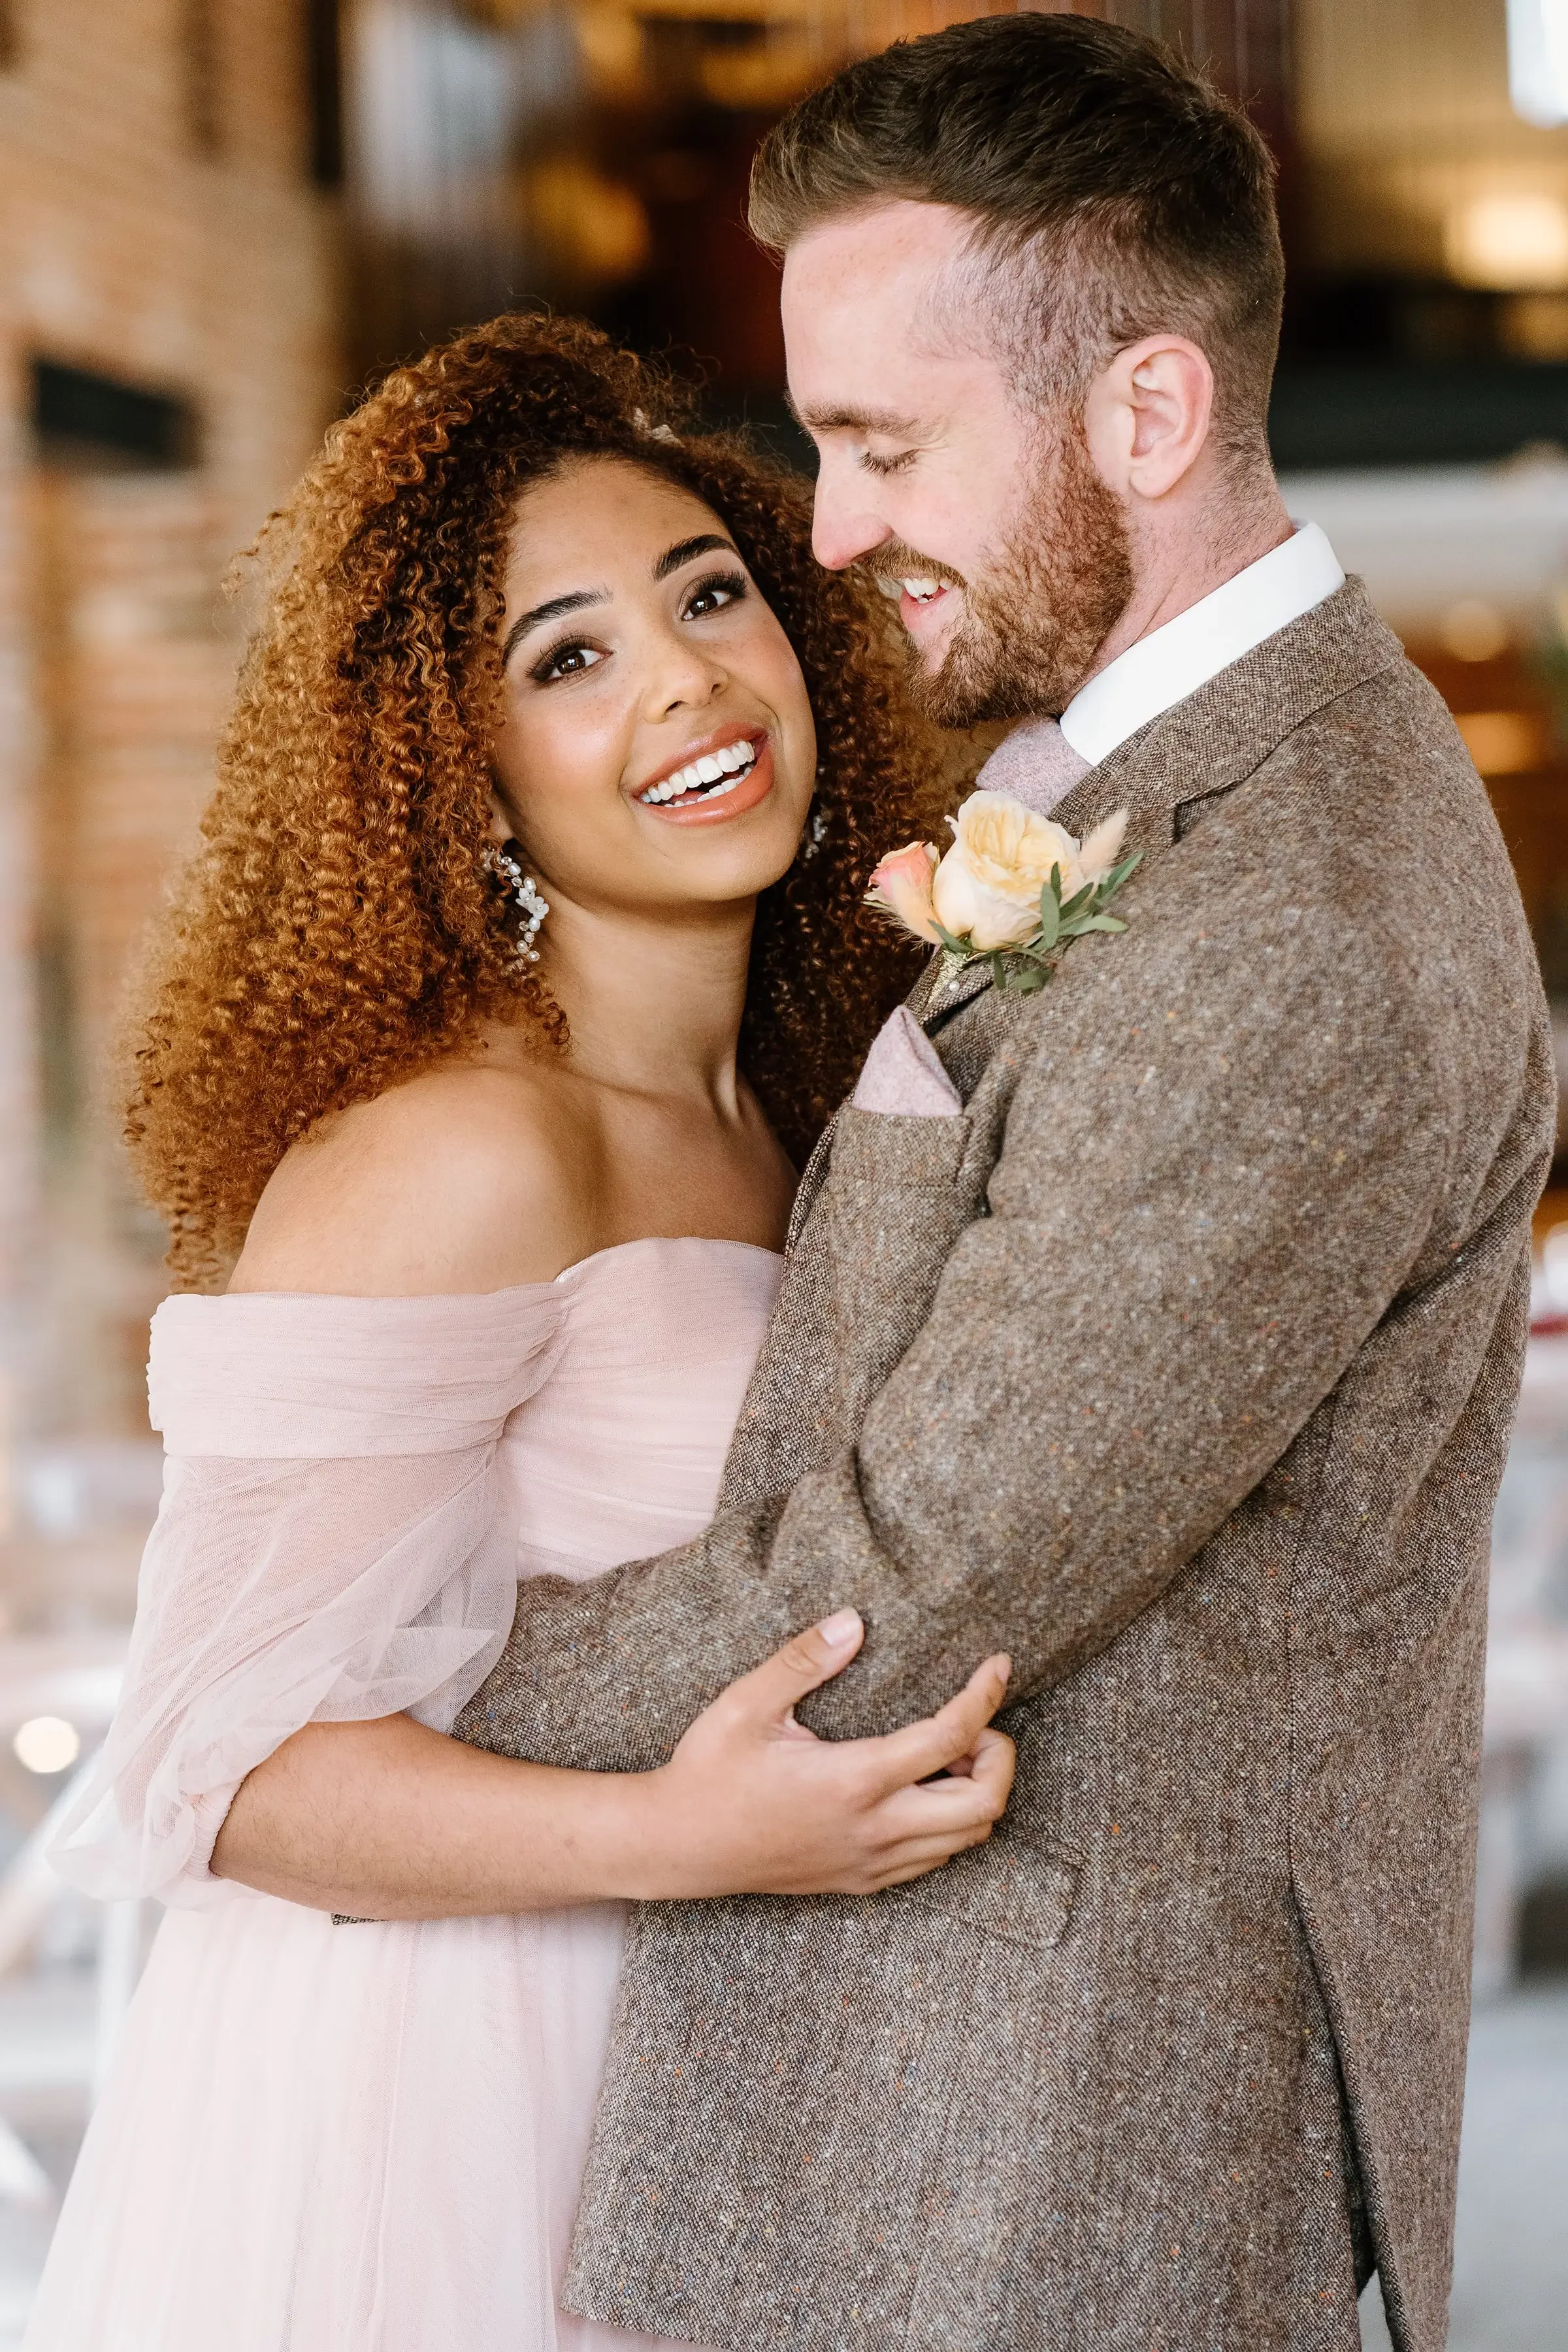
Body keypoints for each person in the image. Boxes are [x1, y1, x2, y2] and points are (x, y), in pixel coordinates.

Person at [212, 17, 1557, 2352]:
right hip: (855, 2098)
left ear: (1144, 412)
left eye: (880, 444)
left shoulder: (1292, 919)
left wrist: (368, 1733)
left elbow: (909, 1582)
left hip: (1035, 2142)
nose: (825, 535)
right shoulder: (1157, 805)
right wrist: (301, 1750)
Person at [24, 315, 1018, 2352]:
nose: (683, 682)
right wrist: (684, 1835)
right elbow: (224, 1771)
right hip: (452, 2095)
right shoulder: (461, 1150)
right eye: (565, 660)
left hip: (736, 2066)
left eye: (711, 596)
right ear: (451, 771)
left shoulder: (820, 1107)